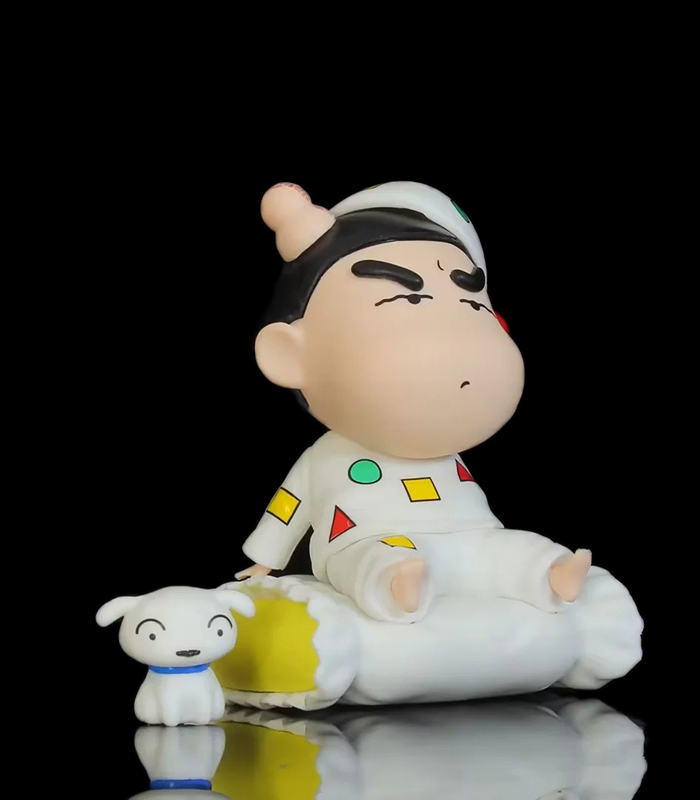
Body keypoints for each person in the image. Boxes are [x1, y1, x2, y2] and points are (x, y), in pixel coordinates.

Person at [236, 181, 591, 623]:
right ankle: (396, 587)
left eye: (472, 304)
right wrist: (265, 561)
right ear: (290, 356)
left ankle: (551, 574)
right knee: (372, 559)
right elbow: (289, 506)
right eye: (408, 298)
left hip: (468, 532)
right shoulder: (325, 459)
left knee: (509, 548)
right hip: (367, 536)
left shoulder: (448, 457)